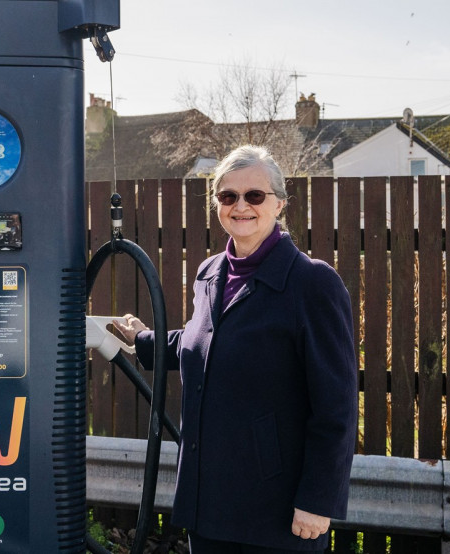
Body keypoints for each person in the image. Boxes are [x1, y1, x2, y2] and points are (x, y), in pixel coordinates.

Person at [113, 145, 356, 553]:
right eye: (228, 196)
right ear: (217, 205)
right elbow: (202, 341)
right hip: (207, 502)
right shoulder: (210, 273)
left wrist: (318, 500)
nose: (241, 206)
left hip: (275, 513)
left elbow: (337, 407)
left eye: (254, 196)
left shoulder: (312, 283)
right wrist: (142, 341)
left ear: (279, 203)